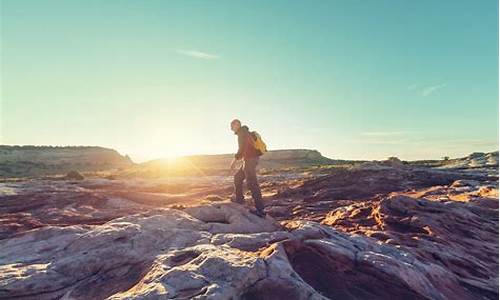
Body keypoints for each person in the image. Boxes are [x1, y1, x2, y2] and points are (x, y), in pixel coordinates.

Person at [229, 119, 265, 217]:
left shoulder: (242, 133)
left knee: (252, 183)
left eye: (232, 126)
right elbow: (244, 149)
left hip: (250, 160)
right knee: (238, 177)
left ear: (237, 125)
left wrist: (233, 162)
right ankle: (239, 200)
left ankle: (260, 210)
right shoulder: (245, 132)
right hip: (250, 159)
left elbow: (241, 149)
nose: (231, 128)